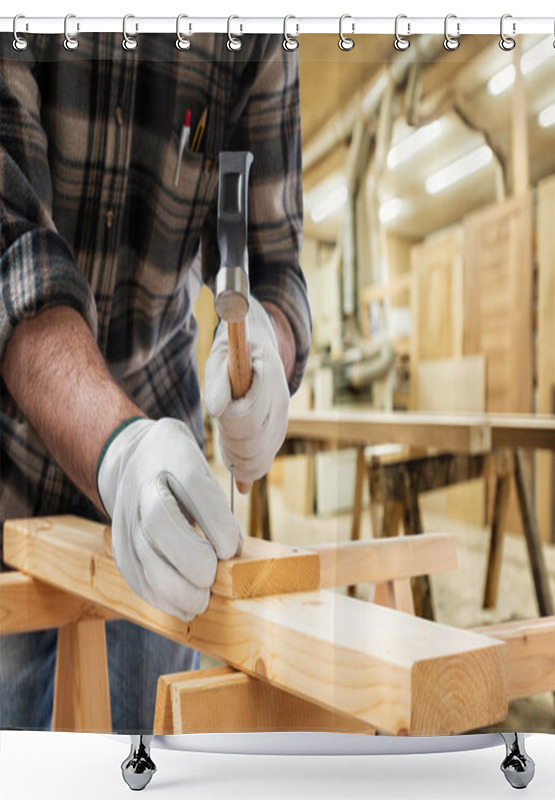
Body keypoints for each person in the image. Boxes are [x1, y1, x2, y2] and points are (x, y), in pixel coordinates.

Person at [0, 33, 310, 732]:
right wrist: (118, 448)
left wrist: (273, 346)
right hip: (10, 469)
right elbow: (7, 245)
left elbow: (276, 263)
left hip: (163, 489)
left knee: (145, 755)